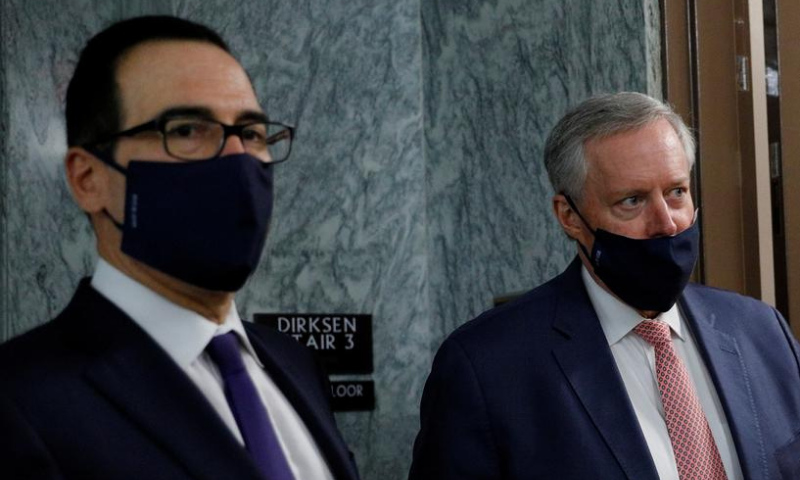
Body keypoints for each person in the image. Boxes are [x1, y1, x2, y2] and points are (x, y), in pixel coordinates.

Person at [0, 16, 359, 480]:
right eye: (187, 130)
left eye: (250, 133)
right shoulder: (20, 401)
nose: (238, 161)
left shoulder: (292, 362)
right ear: (89, 179)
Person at [409, 92, 800, 480]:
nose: (666, 223)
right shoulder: (487, 369)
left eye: (676, 192)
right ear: (570, 217)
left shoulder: (762, 332)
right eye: (632, 201)